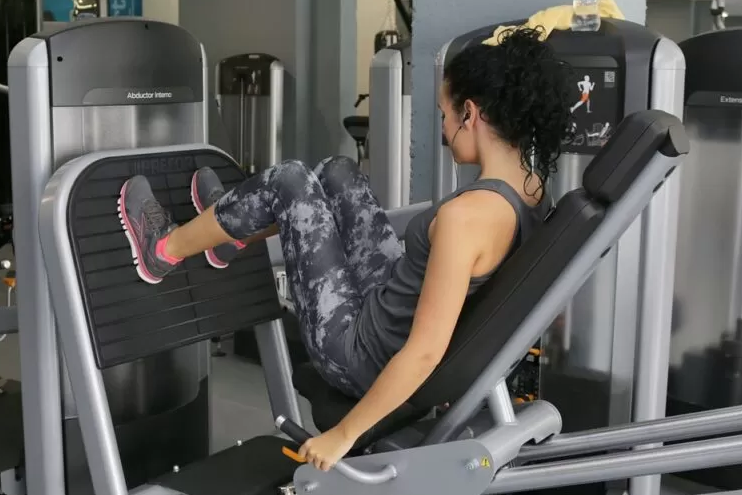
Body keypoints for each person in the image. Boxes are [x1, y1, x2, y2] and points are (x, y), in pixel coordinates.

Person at [117, 27, 573, 472]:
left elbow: (425, 354)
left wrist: (344, 434)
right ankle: (229, 228)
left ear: (471, 113)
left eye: (445, 115)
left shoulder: (468, 218)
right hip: (387, 307)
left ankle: (165, 248)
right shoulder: (533, 191)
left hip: (358, 352)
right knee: (338, 172)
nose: (445, 128)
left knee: (290, 179)